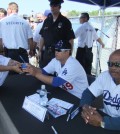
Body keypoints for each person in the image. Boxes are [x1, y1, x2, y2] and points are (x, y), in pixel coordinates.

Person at [23, 40, 88, 99]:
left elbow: (56, 82)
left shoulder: (73, 64)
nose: (56, 52)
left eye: (59, 50)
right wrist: (31, 67)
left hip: (78, 97)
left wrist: (35, 73)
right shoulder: (55, 61)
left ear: (67, 52)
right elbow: (43, 71)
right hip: (64, 92)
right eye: (55, 49)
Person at [80, 49, 120, 130]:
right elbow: (89, 93)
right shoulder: (105, 76)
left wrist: (102, 122)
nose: (112, 68)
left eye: (117, 64)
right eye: (110, 64)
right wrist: (85, 106)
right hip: (105, 115)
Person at [39, 0, 75, 67]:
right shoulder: (47, 21)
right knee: (43, 72)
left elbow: (71, 40)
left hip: (59, 54)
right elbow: (42, 37)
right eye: (51, 6)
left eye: (55, 6)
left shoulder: (65, 22)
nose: (52, 8)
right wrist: (40, 50)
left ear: (59, 7)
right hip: (46, 53)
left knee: (57, 74)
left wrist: (69, 54)